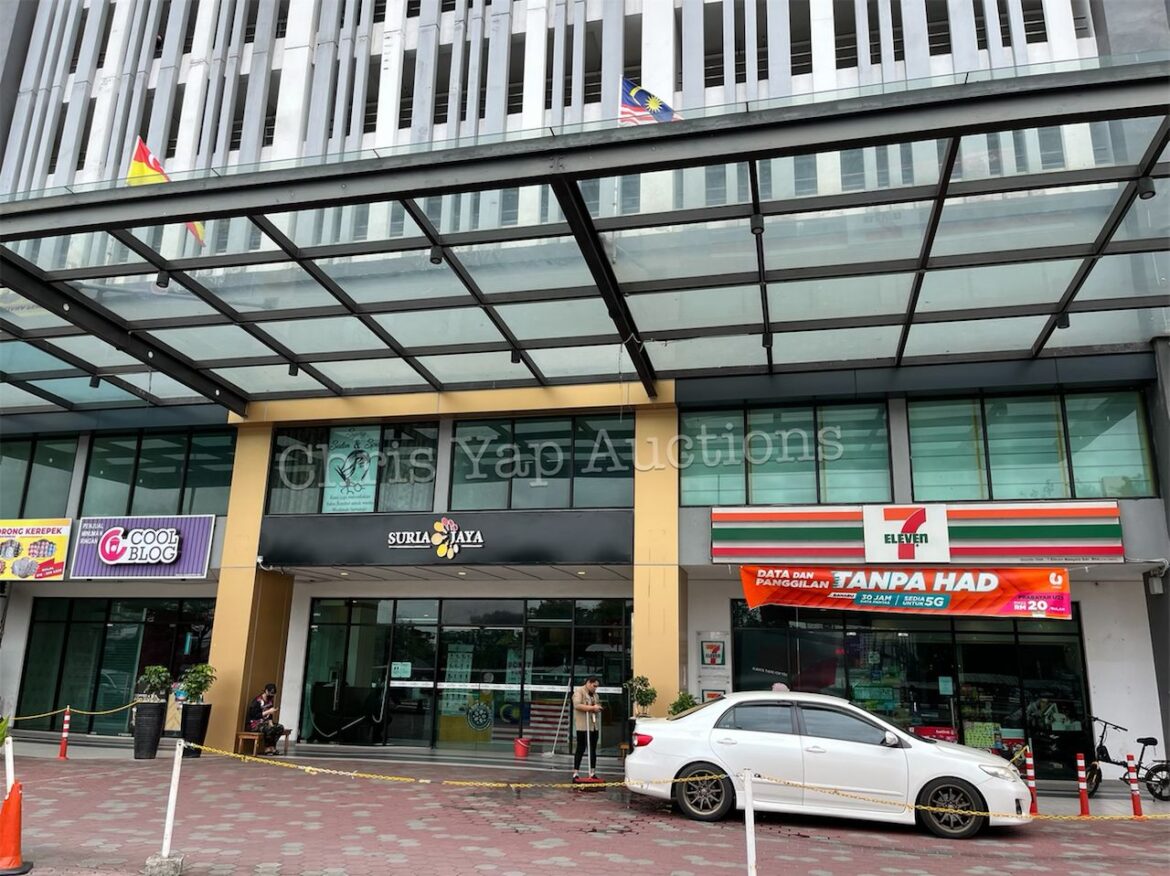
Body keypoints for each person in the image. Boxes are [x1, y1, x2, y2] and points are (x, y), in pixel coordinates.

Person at [572, 676, 602, 780]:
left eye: (597, 686)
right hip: (583, 726)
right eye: (594, 686)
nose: (595, 688)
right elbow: (577, 705)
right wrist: (592, 708)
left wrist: (598, 708)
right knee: (580, 748)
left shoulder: (595, 695)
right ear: (588, 683)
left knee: (593, 749)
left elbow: (597, 704)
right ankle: (576, 773)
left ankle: (592, 773)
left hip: (593, 726)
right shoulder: (579, 691)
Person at [246, 682, 285, 755]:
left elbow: (270, 715)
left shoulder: (270, 700)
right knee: (268, 729)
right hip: (254, 724)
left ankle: (272, 747)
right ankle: (267, 748)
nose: (271, 695)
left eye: (273, 694)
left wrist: (271, 723)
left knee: (279, 727)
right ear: (266, 691)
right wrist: (268, 712)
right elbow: (254, 715)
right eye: (270, 693)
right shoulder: (258, 701)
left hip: (265, 723)